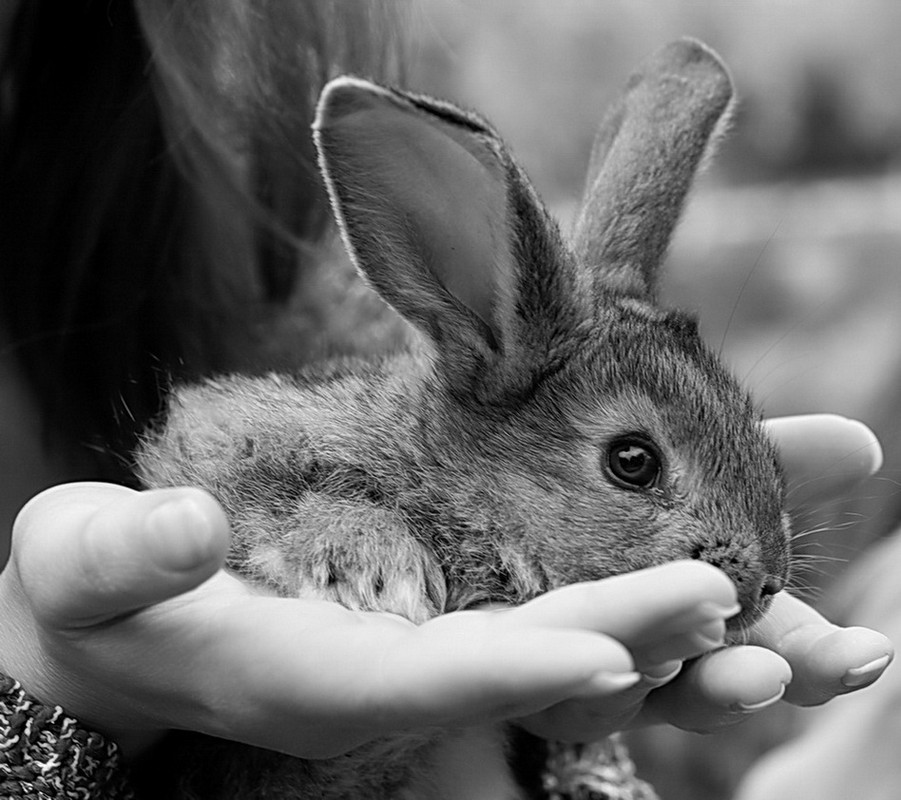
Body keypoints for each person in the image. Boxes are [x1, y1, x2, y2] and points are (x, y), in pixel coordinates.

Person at [0, 1, 892, 796]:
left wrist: (561, 752)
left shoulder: (241, 233)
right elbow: (206, 443)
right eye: (632, 462)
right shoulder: (363, 440)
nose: (757, 575)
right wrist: (56, 700)